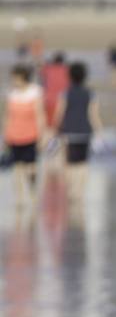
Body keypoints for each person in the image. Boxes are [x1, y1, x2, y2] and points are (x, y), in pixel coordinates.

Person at [52, 61, 104, 203]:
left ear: (70, 76)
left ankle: (70, 191)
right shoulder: (91, 94)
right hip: (85, 132)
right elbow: (93, 115)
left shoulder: (65, 93)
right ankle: (79, 193)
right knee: (83, 163)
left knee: (69, 163)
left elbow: (59, 113)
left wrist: (55, 130)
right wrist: (99, 132)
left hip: (68, 133)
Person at [3, 64, 47, 210]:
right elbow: (8, 116)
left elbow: (40, 115)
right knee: (17, 168)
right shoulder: (12, 94)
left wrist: (42, 135)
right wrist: (5, 135)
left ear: (24, 78)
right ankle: (20, 198)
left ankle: (33, 193)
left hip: (31, 135)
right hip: (14, 135)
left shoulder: (35, 92)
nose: (14, 81)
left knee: (31, 169)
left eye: (16, 78)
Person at [41, 52, 69, 129]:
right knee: (62, 127)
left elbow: (41, 71)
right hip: (63, 103)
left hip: (49, 101)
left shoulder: (48, 69)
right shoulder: (67, 70)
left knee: (49, 127)